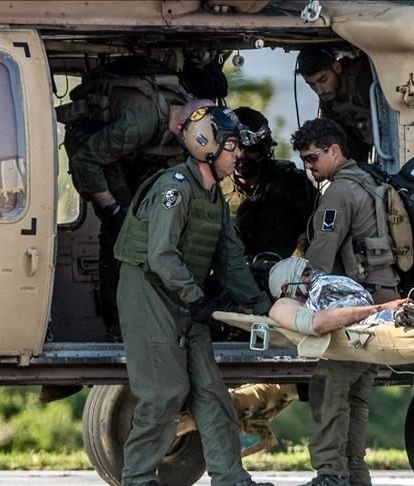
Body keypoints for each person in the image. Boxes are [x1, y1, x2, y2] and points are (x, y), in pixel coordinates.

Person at [113, 102, 274, 486]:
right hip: (149, 293)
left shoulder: (213, 197)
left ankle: (231, 478)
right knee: (164, 392)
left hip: (185, 299)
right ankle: (138, 479)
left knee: (211, 391)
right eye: (232, 145)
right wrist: (195, 298)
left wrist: (261, 307)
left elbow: (230, 259)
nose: (238, 154)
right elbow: (161, 255)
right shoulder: (174, 188)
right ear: (207, 146)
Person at [290, 118, 401, 486]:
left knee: (329, 386)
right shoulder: (369, 181)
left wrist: (296, 295)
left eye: (312, 158)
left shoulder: (338, 191)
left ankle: (331, 473)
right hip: (381, 298)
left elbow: (321, 257)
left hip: (357, 305)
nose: (309, 166)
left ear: (334, 151)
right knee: (355, 395)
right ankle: (354, 474)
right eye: (304, 160)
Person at [65, 59, 191, 341]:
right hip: (97, 151)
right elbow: (86, 160)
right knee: (120, 235)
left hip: (132, 156)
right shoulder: (139, 123)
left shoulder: (184, 118)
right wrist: (112, 207)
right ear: (183, 125)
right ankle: (118, 329)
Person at [221, 106, 317, 258]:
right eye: (235, 148)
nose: (241, 155)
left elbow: (316, 225)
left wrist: (297, 257)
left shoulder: (290, 180)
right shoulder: (216, 187)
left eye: (251, 149)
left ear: (264, 150)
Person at [266, 256, 405, 337]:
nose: (311, 278)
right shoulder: (281, 305)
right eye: (305, 275)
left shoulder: (315, 293)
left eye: (310, 273)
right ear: (285, 289)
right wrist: (380, 308)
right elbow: (317, 323)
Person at [296, 47, 374, 163]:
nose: (320, 90)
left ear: (337, 67)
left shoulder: (363, 82)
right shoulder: (329, 98)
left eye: (323, 80)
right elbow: (337, 139)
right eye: (312, 85)